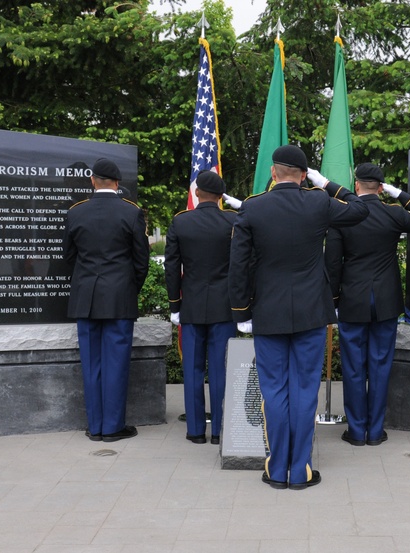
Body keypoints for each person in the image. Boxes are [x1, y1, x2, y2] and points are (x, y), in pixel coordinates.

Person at [229, 145, 369, 490]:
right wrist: (329, 185)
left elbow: (238, 266)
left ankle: (277, 469)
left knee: (273, 390)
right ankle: (300, 469)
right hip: (310, 311)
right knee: (305, 389)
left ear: (273, 173)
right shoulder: (318, 200)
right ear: (304, 175)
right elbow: (361, 208)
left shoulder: (252, 207)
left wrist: (241, 312)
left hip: (268, 311)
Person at [325, 162, 410, 447]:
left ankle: (356, 431)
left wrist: (333, 301)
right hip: (385, 301)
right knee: (380, 366)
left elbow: (332, 263)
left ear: (356, 185)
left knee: (354, 367)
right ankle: (375, 430)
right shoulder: (393, 213)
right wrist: (400, 195)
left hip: (352, 301)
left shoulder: (342, 215)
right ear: (381, 188)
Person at [63, 158, 150, 443]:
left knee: (91, 364)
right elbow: (141, 262)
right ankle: (112, 427)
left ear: (92, 180)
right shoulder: (132, 213)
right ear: (117, 183)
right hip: (119, 298)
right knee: (116, 363)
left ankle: (96, 426)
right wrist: (128, 288)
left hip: (85, 298)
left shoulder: (76, 213)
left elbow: (69, 258)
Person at [164, 171, 238, 445]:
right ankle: (219, 431)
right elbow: (243, 266)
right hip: (225, 308)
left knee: (193, 369)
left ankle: (195, 430)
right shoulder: (232, 221)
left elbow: (172, 267)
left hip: (192, 306)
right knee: (220, 370)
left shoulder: (181, 222)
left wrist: (175, 304)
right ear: (221, 197)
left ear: (196, 194)